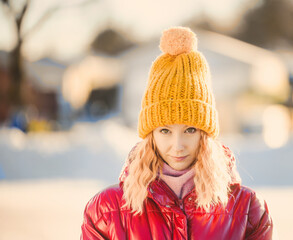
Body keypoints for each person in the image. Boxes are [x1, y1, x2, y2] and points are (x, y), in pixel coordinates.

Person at [81, 26, 274, 240]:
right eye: (165, 130)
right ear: (151, 134)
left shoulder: (247, 210)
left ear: (205, 133)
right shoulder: (106, 212)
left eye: (190, 129)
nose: (178, 145)